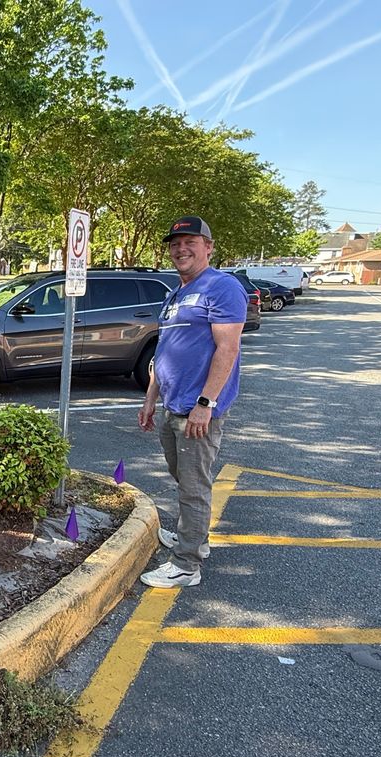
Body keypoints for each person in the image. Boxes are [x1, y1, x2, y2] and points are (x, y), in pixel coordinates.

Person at [137, 216, 246, 588]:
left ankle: (186, 564)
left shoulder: (222, 287)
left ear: (209, 246)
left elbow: (227, 347)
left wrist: (206, 402)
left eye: (190, 242)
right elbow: (164, 351)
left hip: (197, 410)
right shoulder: (176, 293)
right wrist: (152, 397)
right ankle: (193, 537)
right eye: (175, 243)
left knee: (194, 486)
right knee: (184, 478)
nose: (181, 249)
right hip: (173, 405)